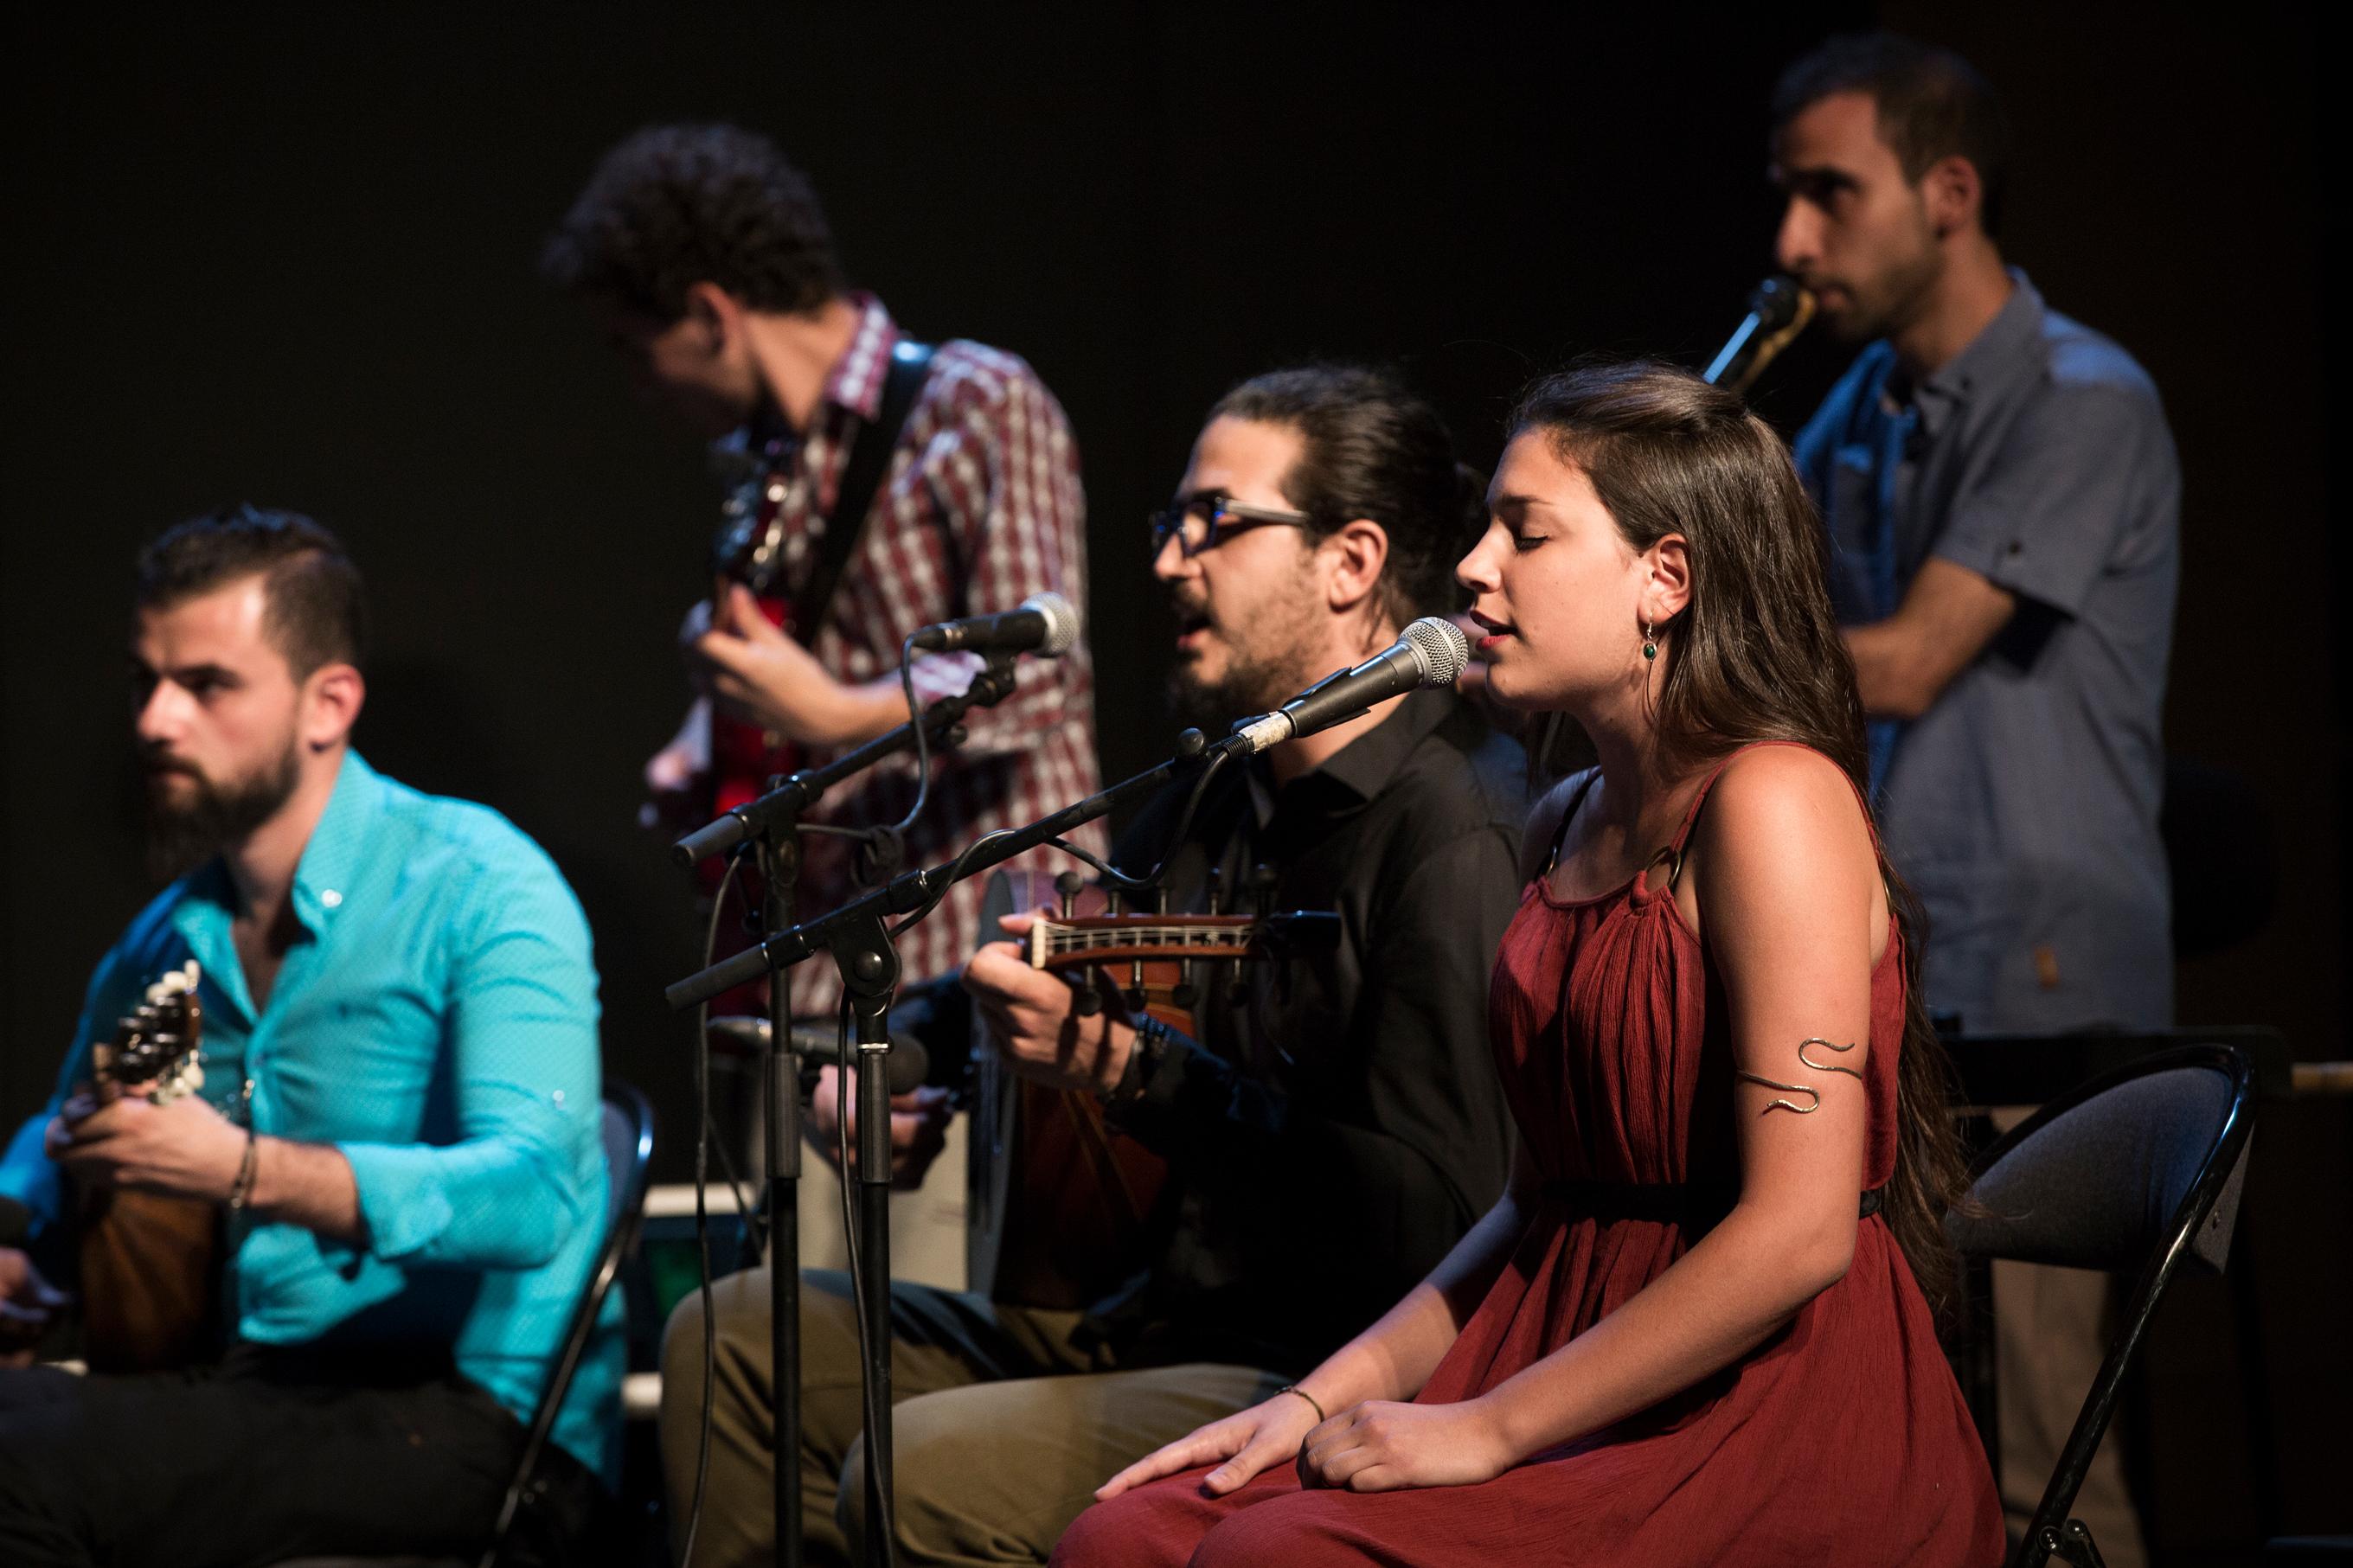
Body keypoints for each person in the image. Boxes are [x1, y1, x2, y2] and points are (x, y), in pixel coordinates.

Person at [1055, 362, 2003, 1566]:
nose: (1472, 566)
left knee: (1270, 1559)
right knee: (1123, 1539)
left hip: (1757, 1410)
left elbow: (1802, 1231)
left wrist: (1491, 1429)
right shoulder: (1563, 820)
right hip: (1546, 1344)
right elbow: (1529, 1208)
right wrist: (1314, 1399)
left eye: (1528, 531)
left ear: (1665, 577)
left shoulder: (1773, 802)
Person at [658, 365, 1528, 1566]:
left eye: (1214, 523)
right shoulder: (1216, 791)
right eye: (1170, 524)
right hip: (1147, 1321)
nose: (1170, 559)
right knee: (735, 1333)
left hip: (1313, 1366)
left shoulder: (1453, 831)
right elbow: (1037, 971)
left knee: (917, 1471)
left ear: (1353, 561)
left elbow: (1439, 1218)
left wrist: (1141, 1077)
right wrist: (904, 1062)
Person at [0, 507, 615, 1566]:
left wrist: (245, 1170)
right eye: (147, 680)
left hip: (471, 1423)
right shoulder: (171, 932)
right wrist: (17, 1234)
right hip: (252, 1390)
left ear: (328, 703)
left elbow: (531, 1199)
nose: (153, 720)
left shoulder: (481, 885)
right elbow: (58, 1142)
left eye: (205, 685)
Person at [1773, 35, 2179, 1557]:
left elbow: (1912, 658)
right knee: (1902, 1452)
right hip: (1911, 987)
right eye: (1786, 196)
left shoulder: (2086, 398)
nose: (1792, 242)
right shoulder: (1856, 415)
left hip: (2039, 984)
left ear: (1949, 191)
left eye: (1830, 193)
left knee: (2039, 1462)